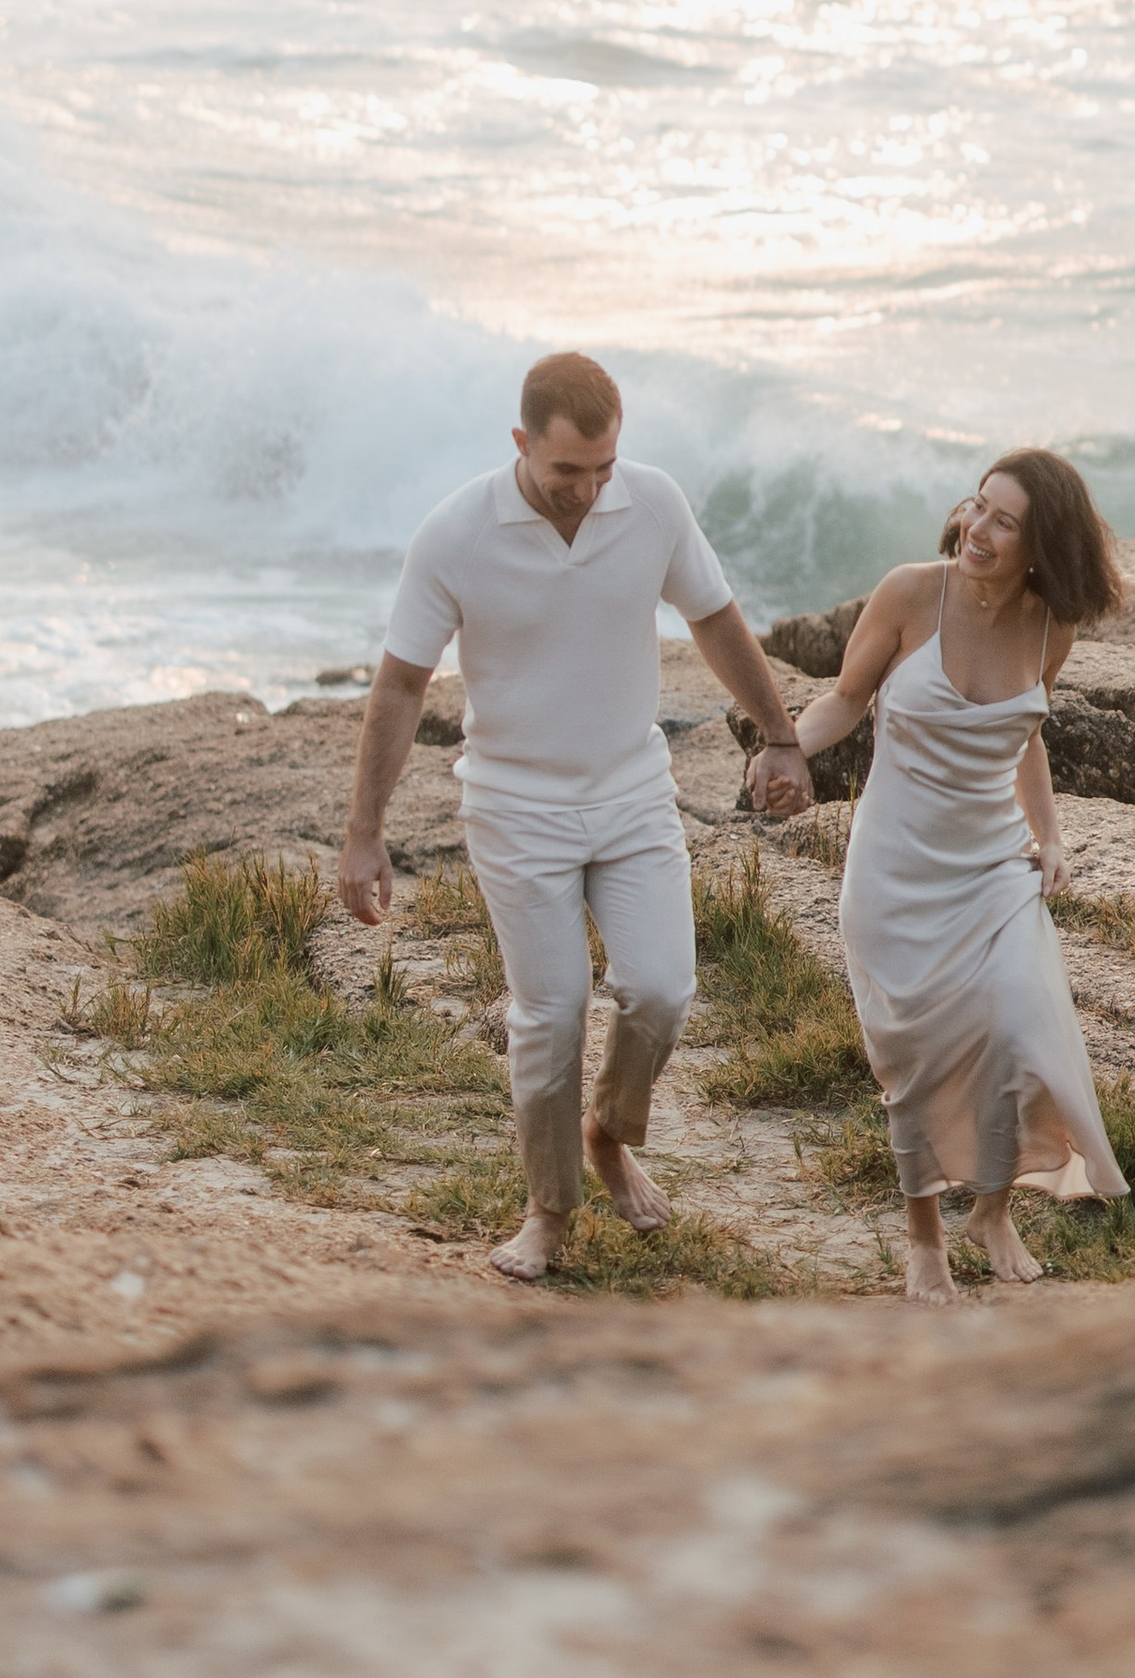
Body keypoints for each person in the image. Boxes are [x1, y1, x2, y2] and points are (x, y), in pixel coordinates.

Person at [336, 351, 817, 1281]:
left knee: (663, 991)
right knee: (550, 1015)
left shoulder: (653, 504)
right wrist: (365, 833)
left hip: (632, 792)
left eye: (604, 467)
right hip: (516, 808)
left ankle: (609, 1132)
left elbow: (715, 619)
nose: (591, 490)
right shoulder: (456, 534)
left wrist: (781, 736)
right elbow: (399, 684)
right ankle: (549, 1211)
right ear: (521, 445)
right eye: (568, 472)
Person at [793, 448, 1130, 1304]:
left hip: (992, 863)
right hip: (895, 865)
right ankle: (925, 1240)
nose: (977, 528)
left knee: (1019, 1030)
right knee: (915, 1056)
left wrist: (1048, 836)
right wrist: (780, 748)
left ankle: (991, 1209)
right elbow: (845, 699)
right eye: (978, 507)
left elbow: (1028, 733)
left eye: (1004, 520)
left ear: (1040, 543)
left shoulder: (1054, 625)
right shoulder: (911, 593)